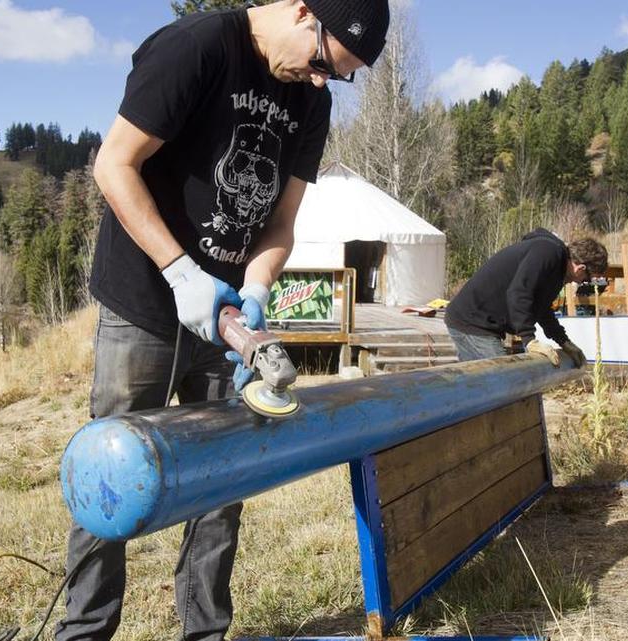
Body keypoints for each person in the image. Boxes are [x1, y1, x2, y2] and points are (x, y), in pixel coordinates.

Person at [57, 2, 390, 640]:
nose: (322, 81)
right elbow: (113, 165)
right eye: (324, 62)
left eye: (339, 76)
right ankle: (85, 630)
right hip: (146, 303)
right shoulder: (200, 46)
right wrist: (181, 272)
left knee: (221, 478)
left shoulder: (311, 100)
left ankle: (205, 632)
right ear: (301, 11)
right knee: (110, 470)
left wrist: (257, 288)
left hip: (226, 316)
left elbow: (282, 222)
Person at [444, 228, 608, 367]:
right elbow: (519, 293)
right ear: (581, 268)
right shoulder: (548, 253)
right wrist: (529, 340)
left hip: (480, 322)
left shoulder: (556, 269)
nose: (581, 282)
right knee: (502, 382)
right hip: (472, 321)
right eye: (586, 279)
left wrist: (563, 341)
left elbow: (542, 309)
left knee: (482, 387)